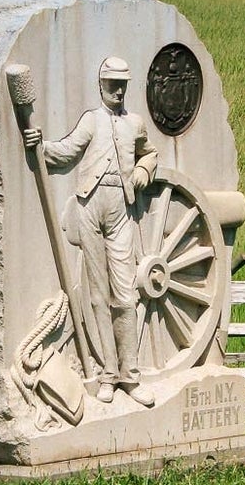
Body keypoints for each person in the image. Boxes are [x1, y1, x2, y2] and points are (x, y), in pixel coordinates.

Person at [24, 56, 159, 404]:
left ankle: (131, 376)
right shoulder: (92, 120)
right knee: (98, 296)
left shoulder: (135, 123)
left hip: (121, 208)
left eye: (122, 84)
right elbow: (66, 151)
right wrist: (40, 145)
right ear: (100, 86)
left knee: (125, 294)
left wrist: (143, 172)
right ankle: (107, 376)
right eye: (111, 83)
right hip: (88, 207)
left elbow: (149, 154)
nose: (117, 89)